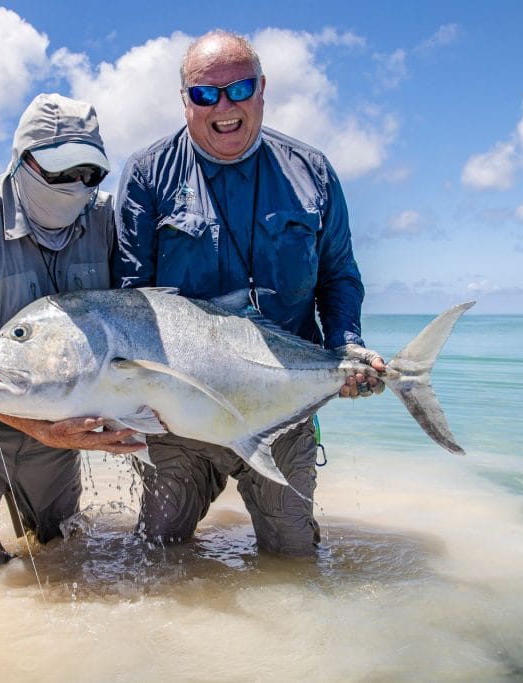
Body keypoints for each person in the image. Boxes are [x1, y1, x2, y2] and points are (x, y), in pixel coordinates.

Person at [113, 30, 386, 556]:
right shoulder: (149, 174)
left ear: (262, 89)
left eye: (238, 89)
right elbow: (131, 298)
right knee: (157, 557)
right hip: (178, 417)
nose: (223, 107)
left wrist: (346, 346)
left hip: (280, 410)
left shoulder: (312, 172)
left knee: (293, 560)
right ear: (185, 100)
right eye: (204, 94)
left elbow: (339, 276)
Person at [0, 93, 140, 577]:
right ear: (22, 161)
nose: (77, 186)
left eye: (90, 174)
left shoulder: (108, 222)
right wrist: (41, 430)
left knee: (61, 546)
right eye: (62, 172)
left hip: (52, 399)